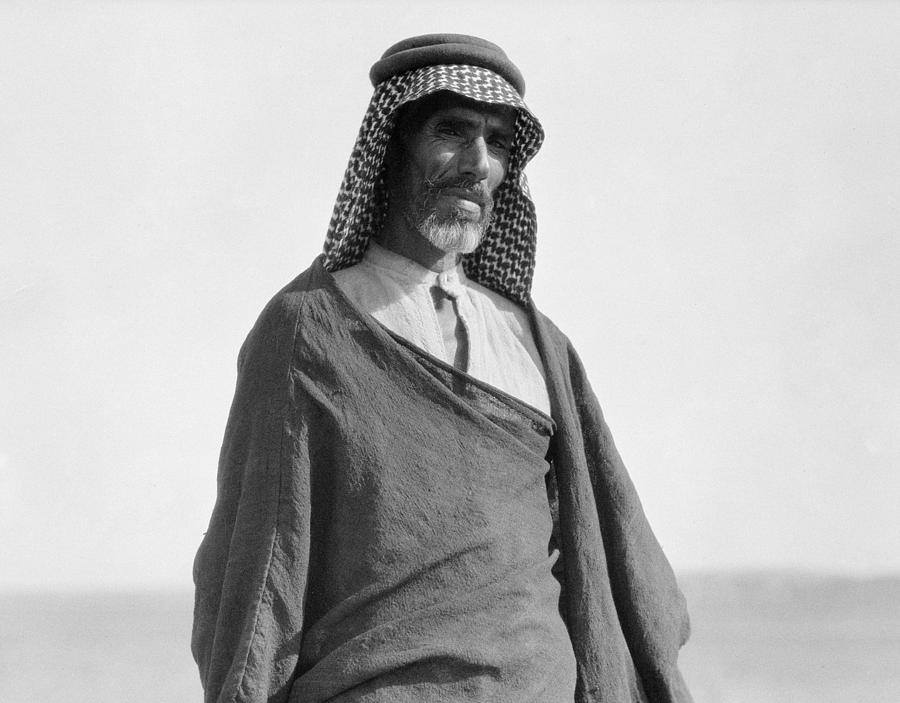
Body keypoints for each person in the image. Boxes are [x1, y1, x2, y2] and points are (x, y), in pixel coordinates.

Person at [192, 34, 693, 703]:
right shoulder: (307, 326)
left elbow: (617, 567)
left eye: (498, 141)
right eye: (451, 132)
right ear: (390, 148)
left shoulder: (539, 346)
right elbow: (257, 579)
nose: (477, 164)